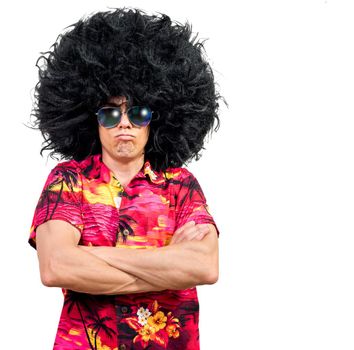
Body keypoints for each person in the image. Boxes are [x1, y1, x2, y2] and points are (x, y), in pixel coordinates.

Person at [27, 7, 224, 350]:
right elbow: (56, 265)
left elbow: (205, 266)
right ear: (93, 119)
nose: (124, 122)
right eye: (110, 112)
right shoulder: (67, 181)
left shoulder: (181, 184)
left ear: (155, 119)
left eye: (138, 112)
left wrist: (92, 259)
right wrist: (166, 261)